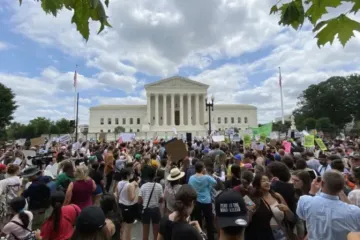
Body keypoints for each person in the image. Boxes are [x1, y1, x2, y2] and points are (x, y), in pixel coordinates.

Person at [297, 170, 360, 240]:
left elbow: (302, 216)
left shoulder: (305, 200)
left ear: (322, 183)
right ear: (342, 187)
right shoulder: (354, 211)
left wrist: (312, 192)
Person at [189, 161, 216, 240]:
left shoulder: (191, 178)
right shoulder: (207, 177)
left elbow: (190, 187)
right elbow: (214, 182)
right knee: (209, 221)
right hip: (207, 201)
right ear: (202, 168)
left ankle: (199, 237)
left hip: (197, 201)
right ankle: (211, 237)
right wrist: (206, 174)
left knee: (198, 220)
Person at [139, 167, 163, 240]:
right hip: (155, 210)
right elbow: (161, 199)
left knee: (145, 233)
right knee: (156, 233)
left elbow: (139, 200)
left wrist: (145, 201)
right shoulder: (159, 186)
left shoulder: (143, 186)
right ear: (154, 175)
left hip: (146, 210)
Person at [116, 168, 139, 240]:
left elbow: (117, 195)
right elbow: (131, 198)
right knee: (128, 229)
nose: (132, 175)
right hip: (128, 208)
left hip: (120, 206)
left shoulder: (119, 183)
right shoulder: (130, 185)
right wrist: (135, 188)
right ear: (127, 175)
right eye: (131, 174)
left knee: (122, 227)